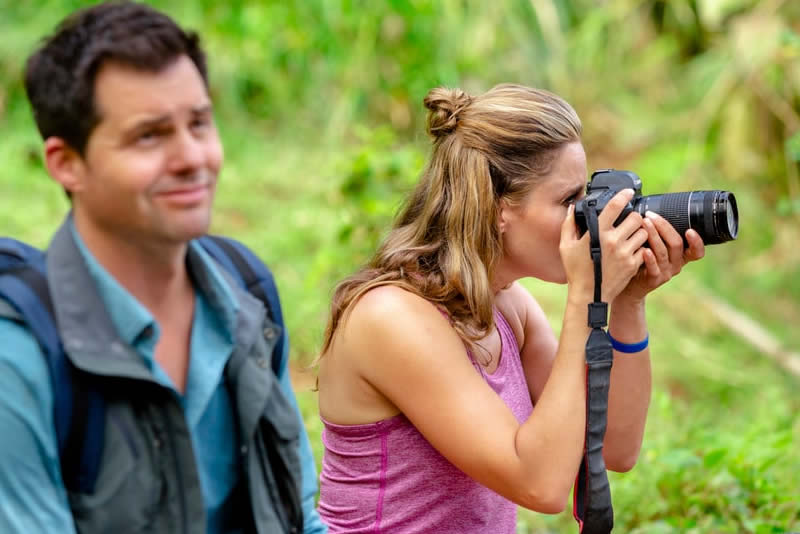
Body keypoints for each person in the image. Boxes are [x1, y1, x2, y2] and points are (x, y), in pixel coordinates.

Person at [315, 84, 706, 533]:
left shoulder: (508, 307)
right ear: (498, 208)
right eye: (568, 201)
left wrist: (626, 301)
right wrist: (586, 299)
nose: (588, 218)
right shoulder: (392, 317)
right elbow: (539, 485)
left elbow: (614, 447)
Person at [0, 2, 326, 533]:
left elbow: (299, 516)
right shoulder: (20, 358)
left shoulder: (248, 295)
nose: (191, 157)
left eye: (199, 123)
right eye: (149, 136)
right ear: (66, 163)